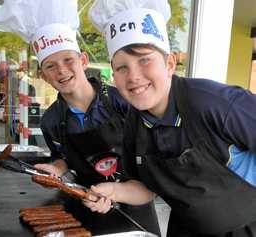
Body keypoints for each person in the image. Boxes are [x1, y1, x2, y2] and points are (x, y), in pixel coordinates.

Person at [0, 0, 161, 235]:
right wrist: (56, 170)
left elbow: (151, 153)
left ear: (83, 60)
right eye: (50, 66)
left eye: (68, 60)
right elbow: (63, 158)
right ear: (43, 75)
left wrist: (121, 191)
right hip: (89, 202)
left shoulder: (122, 100)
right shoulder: (51, 120)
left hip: (137, 202)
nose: (61, 70)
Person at [87, 0, 256, 236]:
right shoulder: (134, 121)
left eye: (144, 59)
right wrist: (114, 192)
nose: (133, 76)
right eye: (122, 67)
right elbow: (145, 189)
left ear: (169, 63)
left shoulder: (215, 102)